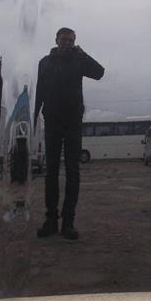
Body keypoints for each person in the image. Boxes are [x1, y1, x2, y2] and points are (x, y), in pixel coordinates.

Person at [34, 27, 104, 239]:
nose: (67, 43)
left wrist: (83, 54)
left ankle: (68, 223)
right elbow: (39, 91)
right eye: (63, 39)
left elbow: (99, 73)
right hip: (52, 121)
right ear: (56, 39)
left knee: (73, 171)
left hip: (73, 122)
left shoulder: (78, 60)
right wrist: (34, 116)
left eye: (71, 40)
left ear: (74, 42)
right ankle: (51, 221)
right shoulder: (44, 62)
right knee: (51, 171)